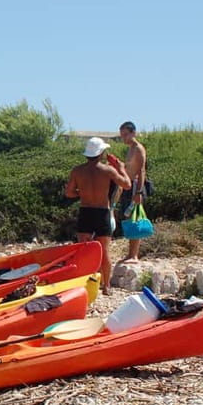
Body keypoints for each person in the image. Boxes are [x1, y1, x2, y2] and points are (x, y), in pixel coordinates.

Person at [65, 137, 131, 295]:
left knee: (83, 251)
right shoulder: (108, 170)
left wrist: (83, 193)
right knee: (104, 251)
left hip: (86, 211)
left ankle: (82, 285)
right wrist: (121, 167)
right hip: (102, 212)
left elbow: (68, 192)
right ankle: (106, 286)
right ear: (100, 153)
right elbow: (127, 184)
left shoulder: (77, 171)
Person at [117, 121, 149, 264]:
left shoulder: (138, 149)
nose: (123, 138)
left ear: (133, 133)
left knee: (135, 219)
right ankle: (130, 254)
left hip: (136, 187)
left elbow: (142, 171)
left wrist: (139, 192)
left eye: (125, 134)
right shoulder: (130, 149)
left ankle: (134, 255)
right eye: (121, 135)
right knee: (128, 219)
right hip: (128, 186)